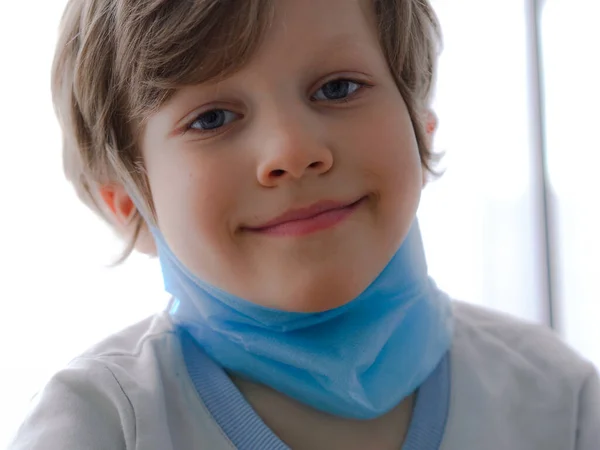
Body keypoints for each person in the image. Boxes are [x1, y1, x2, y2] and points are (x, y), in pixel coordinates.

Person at [9, 0, 599, 448]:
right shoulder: (100, 425)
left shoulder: (559, 401)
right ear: (131, 203)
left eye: (338, 88)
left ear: (421, 124)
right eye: (212, 118)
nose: (291, 151)